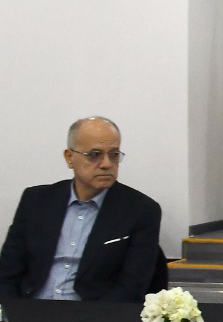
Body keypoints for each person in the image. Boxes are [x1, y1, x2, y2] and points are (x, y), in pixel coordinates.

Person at [0, 117, 162, 302]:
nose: (107, 164)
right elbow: (7, 274)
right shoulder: (36, 201)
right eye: (95, 154)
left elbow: (131, 288)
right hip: (31, 309)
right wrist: (12, 313)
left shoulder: (140, 210)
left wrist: (89, 318)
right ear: (70, 158)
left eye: (114, 154)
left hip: (94, 313)